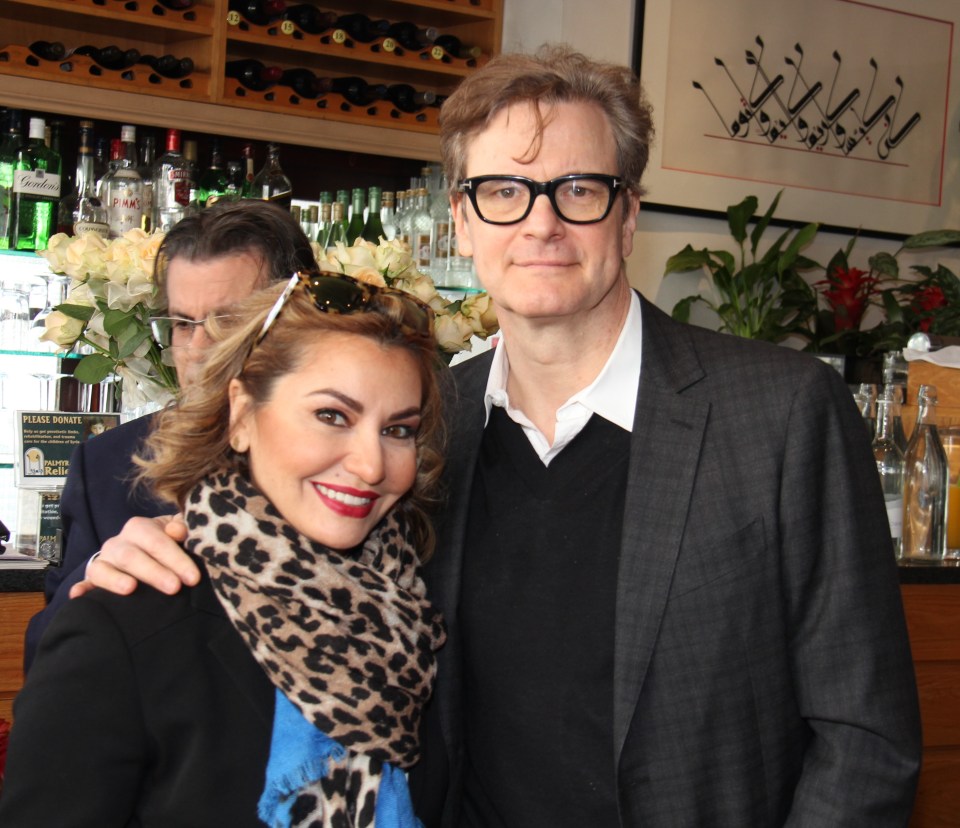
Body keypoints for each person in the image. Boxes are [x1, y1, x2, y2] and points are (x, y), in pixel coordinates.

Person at [75, 46, 923, 825]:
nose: (540, 224)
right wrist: (153, 551)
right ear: (463, 219)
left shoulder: (780, 415)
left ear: (628, 215)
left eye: (579, 190)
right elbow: (295, 559)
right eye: (504, 192)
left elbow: (867, 741)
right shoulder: (423, 424)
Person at [1, 272, 447, 826]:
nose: (371, 464)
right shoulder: (122, 630)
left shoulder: (408, 619)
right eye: (332, 416)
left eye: (398, 430)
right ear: (241, 415)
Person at [23, 199, 317, 669]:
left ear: (299, 321)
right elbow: (44, 659)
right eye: (182, 324)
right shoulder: (107, 464)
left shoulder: (354, 458)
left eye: (225, 322)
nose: (197, 350)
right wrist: (98, 573)